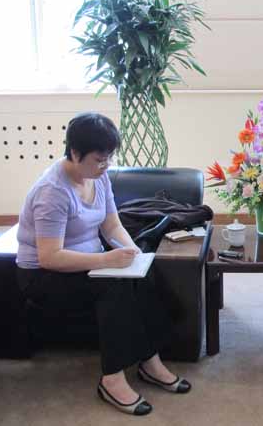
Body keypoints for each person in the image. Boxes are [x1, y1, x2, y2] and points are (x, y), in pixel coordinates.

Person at [16, 112, 191, 416]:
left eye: (109, 157)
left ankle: (150, 362)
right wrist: (106, 259)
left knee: (141, 276)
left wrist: (133, 252)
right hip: (43, 276)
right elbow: (49, 256)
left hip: (87, 263)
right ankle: (112, 379)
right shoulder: (52, 192)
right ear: (75, 153)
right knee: (113, 286)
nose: (105, 165)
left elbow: (111, 225)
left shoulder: (99, 177)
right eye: (99, 159)